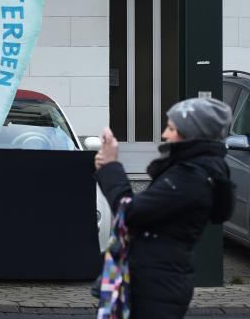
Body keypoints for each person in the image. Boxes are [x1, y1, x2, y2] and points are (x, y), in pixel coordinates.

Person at [94, 97, 235, 318]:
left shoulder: (191, 176)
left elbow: (130, 212)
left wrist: (111, 167)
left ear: (190, 134)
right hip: (156, 279)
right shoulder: (194, 170)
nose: (164, 135)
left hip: (157, 286)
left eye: (171, 128)